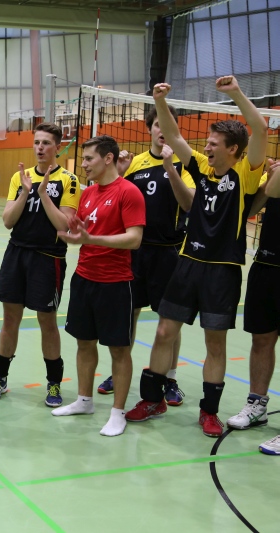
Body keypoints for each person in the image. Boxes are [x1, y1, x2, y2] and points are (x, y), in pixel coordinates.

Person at [125, 76, 268, 437]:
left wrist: (235, 93)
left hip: (223, 269)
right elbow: (173, 136)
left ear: (233, 149)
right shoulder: (201, 166)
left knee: (214, 343)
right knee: (164, 331)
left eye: (214, 144)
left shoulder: (246, 173)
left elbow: (260, 128)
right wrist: (159, 101)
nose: (207, 147)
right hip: (187, 262)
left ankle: (209, 411)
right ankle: (152, 399)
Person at [95, 106, 196, 407]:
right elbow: (112, 197)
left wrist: (170, 169)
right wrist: (121, 173)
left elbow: (189, 205)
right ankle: (119, 370)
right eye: (157, 125)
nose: (163, 130)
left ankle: (169, 378)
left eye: (169, 124)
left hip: (169, 252)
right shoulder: (136, 163)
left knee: (169, 321)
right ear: (150, 128)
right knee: (129, 313)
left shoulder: (186, 163)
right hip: (135, 252)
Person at [51, 135, 145, 437]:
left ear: (108, 158)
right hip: (84, 278)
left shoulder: (129, 192)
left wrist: (92, 239)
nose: (84, 164)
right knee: (84, 343)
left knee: (119, 349)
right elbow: (82, 229)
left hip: (115, 283)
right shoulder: (89, 192)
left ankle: (118, 413)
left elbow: (134, 239)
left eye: (89, 158)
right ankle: (84, 400)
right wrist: (76, 233)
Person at [0, 122, 79, 407]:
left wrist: (44, 194)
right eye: (37, 142)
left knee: (47, 321)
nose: (40, 147)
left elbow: (64, 225)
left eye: (46, 143)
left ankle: (53, 383)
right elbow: (8, 221)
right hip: (17, 254)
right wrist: (26, 191)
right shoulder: (19, 177)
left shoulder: (69, 180)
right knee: (9, 318)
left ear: (57, 147)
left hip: (48, 257)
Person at [226, 160, 280, 455]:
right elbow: (253, 207)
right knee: (261, 339)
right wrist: (269, 179)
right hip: (267, 265)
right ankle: (257, 404)